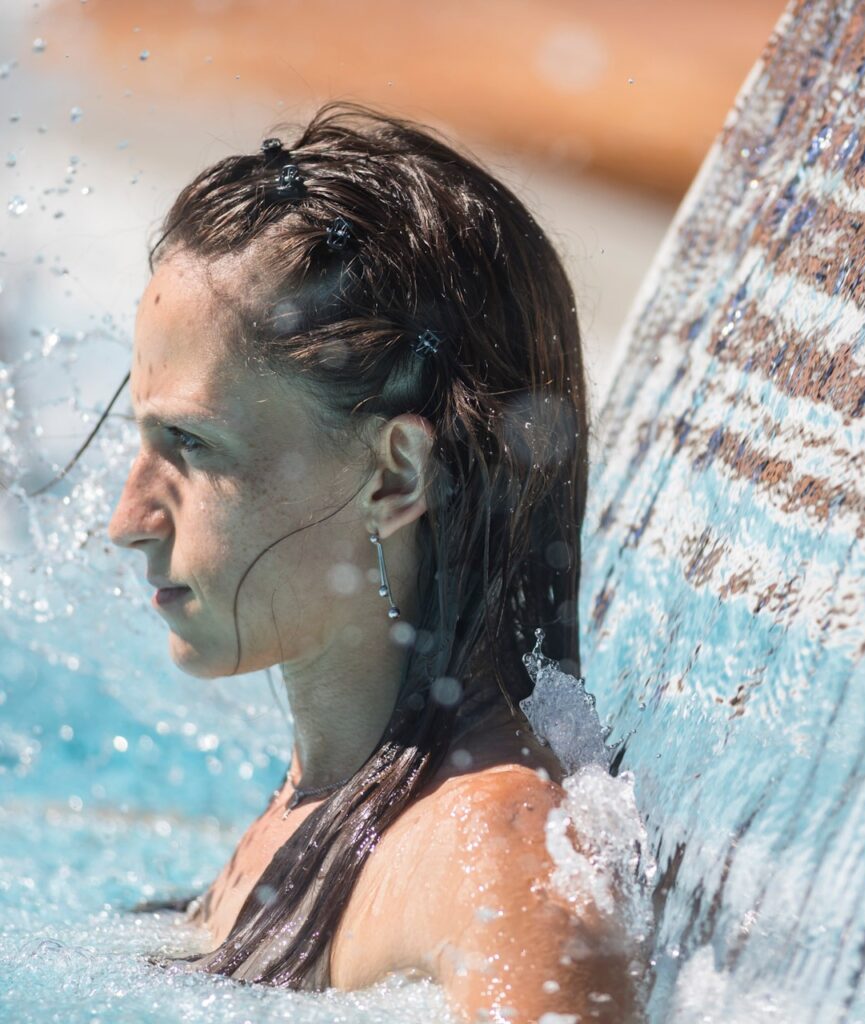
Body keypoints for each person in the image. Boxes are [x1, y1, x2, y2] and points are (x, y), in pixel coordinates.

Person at [105, 100, 635, 1022]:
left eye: (192, 444)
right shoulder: (331, 799)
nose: (129, 519)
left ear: (394, 477)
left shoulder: (503, 857)